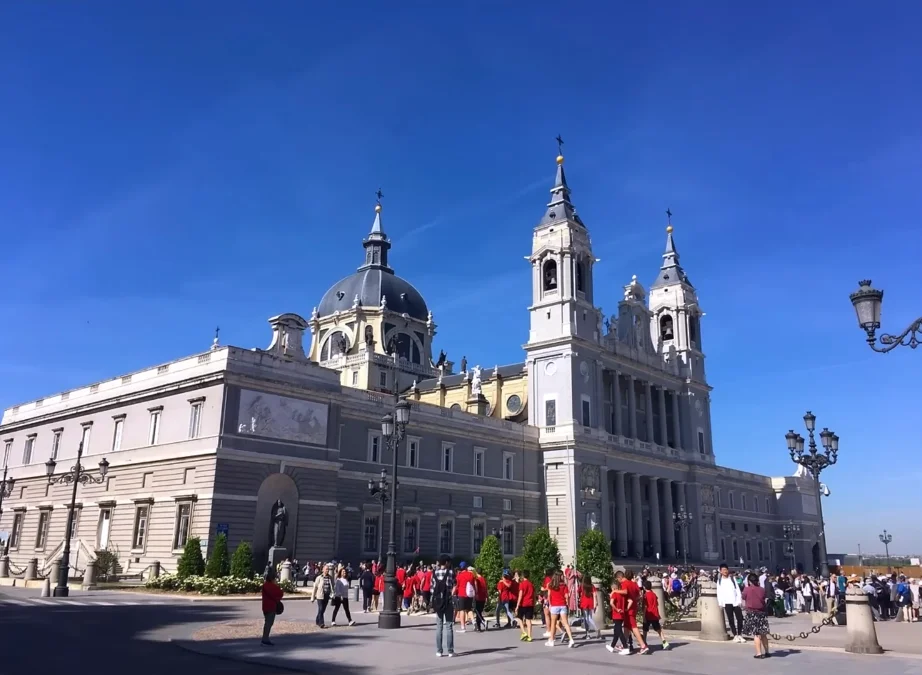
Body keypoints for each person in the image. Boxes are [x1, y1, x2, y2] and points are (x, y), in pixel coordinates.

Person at [615, 569, 649, 654]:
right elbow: (639, 595)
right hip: (633, 607)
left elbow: (625, 592)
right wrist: (634, 600)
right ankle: (624, 644)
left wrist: (615, 591)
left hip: (628, 608)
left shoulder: (625, 583)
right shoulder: (634, 584)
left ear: (619, 577)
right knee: (627, 627)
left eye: (617, 580)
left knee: (634, 627)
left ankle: (643, 645)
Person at [432, 555, 456, 658]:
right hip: (448, 601)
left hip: (438, 602)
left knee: (439, 626)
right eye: (449, 562)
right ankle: (450, 651)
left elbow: (432, 589)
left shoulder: (434, 573)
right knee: (449, 625)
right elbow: (453, 585)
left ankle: (439, 651)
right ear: (446, 562)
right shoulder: (450, 573)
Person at [742, 572, 770, 658]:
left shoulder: (747, 589)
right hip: (762, 613)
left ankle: (759, 653)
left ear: (749, 581)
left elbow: (743, 597)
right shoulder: (762, 589)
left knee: (756, 634)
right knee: (763, 633)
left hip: (752, 613)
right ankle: (767, 652)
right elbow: (764, 598)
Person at [545, 570, 575, 648]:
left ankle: (551, 640)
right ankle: (571, 639)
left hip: (554, 605)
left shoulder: (551, 585)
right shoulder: (564, 585)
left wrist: (550, 604)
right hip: (563, 605)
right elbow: (567, 596)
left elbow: (549, 596)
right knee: (565, 623)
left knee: (553, 623)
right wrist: (567, 603)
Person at [717, 563, 744, 643]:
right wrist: (720, 603)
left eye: (726, 569)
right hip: (727, 602)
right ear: (721, 571)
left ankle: (740, 634)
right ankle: (735, 635)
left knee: (740, 618)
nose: (725, 571)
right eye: (723, 570)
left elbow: (737, 590)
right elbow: (719, 592)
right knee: (731, 619)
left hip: (735, 601)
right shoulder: (720, 581)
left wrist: (739, 600)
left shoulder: (732, 579)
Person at [641, 579, 670, 650]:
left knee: (645, 629)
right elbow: (657, 604)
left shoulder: (645, 596)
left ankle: (644, 642)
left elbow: (645, 606)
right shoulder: (654, 594)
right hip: (655, 614)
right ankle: (664, 642)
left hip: (648, 614)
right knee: (658, 629)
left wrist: (643, 616)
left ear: (644, 587)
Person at [606, 579, 632, 655]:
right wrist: (626, 608)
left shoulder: (614, 594)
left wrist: (616, 609)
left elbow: (611, 603)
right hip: (622, 614)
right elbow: (630, 601)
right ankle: (612, 646)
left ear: (613, 588)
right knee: (616, 631)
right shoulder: (622, 595)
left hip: (616, 614)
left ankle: (625, 647)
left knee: (619, 631)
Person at [261, 567, 284, 646]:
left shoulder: (265, 585)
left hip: (265, 606)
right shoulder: (271, 586)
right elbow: (280, 593)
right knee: (269, 623)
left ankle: (265, 638)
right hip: (271, 606)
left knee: (267, 623)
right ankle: (265, 639)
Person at [578, 575, 600, 640]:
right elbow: (595, 595)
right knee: (590, 618)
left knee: (586, 619)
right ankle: (593, 631)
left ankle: (590, 632)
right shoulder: (592, 586)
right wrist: (596, 604)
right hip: (590, 603)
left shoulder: (582, 586)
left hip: (584, 603)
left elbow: (578, 593)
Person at [515, 570, 535, 642]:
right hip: (530, 603)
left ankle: (524, 632)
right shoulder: (531, 584)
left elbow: (520, 595)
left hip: (523, 604)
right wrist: (534, 604)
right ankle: (530, 636)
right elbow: (533, 595)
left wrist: (517, 605)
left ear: (523, 576)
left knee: (519, 618)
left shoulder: (522, 584)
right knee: (528, 620)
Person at [455, 562, 475, 632]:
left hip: (462, 594)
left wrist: (454, 593)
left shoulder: (459, 576)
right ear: (466, 567)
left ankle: (463, 627)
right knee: (469, 609)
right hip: (469, 594)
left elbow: (457, 586)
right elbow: (473, 583)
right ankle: (473, 622)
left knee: (462, 610)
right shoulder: (471, 574)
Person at [312, 563, 334, 628]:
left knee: (322, 610)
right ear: (323, 570)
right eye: (326, 569)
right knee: (321, 609)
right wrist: (313, 597)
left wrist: (332, 594)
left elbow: (332, 586)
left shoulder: (330, 578)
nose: (327, 570)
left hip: (327, 595)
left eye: (328, 569)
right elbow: (315, 587)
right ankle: (321, 623)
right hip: (320, 595)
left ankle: (317, 620)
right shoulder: (319, 578)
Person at [471, 567, 488, 631]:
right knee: (479, 611)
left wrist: (476, 594)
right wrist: (487, 597)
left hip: (478, 597)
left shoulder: (476, 579)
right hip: (483, 597)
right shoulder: (484, 579)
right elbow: (486, 588)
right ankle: (482, 622)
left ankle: (480, 625)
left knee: (477, 611)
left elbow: (476, 586)